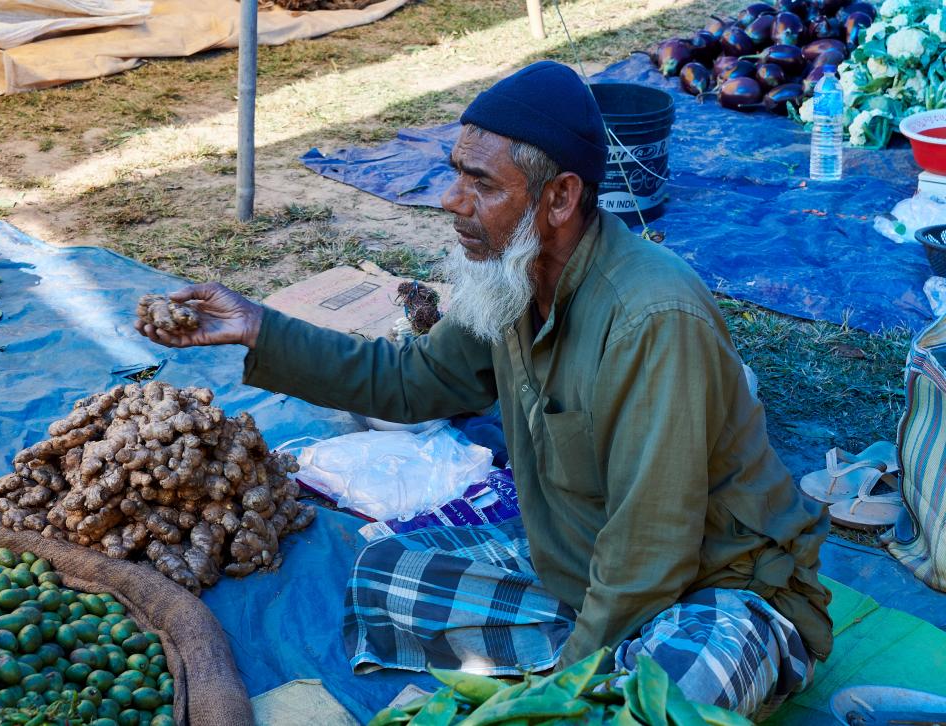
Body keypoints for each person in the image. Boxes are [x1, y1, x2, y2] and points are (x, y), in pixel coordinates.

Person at [135, 61, 831, 718]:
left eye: (483, 184)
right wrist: (259, 328)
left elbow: (651, 547)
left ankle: (605, 673)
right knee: (385, 576)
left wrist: (561, 691)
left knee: (666, 693)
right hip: (581, 563)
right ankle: (598, 663)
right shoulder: (510, 276)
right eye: (454, 173)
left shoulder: (654, 318)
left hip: (712, 589)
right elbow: (409, 382)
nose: (450, 200)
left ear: (560, 197)